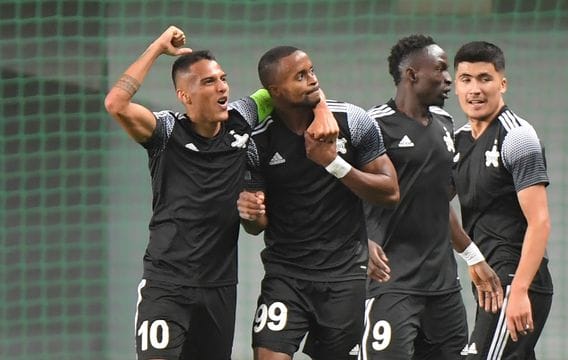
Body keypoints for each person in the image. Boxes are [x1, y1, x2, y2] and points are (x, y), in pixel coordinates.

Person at [104, 26, 336, 360]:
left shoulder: (241, 119)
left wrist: (324, 110)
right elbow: (115, 102)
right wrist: (157, 48)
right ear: (185, 96)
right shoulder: (166, 132)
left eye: (222, 78)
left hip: (219, 287)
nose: (222, 86)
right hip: (167, 284)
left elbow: (295, 83)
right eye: (209, 82)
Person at [237, 45, 400, 360]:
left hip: (345, 276)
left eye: (311, 70)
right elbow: (256, 227)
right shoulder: (258, 141)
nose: (312, 80)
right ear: (275, 91)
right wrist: (248, 213)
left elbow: (390, 192)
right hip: (286, 276)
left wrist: (333, 163)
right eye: (300, 76)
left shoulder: (352, 121)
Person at [360, 34, 503, 360]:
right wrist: (359, 240)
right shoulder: (371, 125)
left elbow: (438, 202)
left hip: (443, 288)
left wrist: (473, 256)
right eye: (439, 69)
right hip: (392, 284)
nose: (449, 78)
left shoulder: (444, 122)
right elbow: (338, 195)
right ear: (411, 74)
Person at [451, 41, 554, 359]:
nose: (475, 89)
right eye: (466, 79)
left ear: (502, 83)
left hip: (514, 281)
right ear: (456, 86)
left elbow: (540, 221)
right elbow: (431, 204)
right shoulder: (457, 140)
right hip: (488, 282)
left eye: (485, 78)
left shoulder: (517, 136)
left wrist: (520, 291)